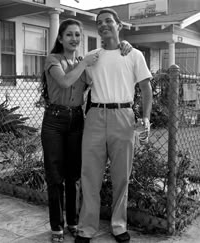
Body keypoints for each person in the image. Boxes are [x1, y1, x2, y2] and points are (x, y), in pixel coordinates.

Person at [41, 18, 132, 243]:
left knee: (74, 175)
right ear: (60, 38)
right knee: (55, 176)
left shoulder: (86, 62)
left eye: (77, 35)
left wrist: (123, 46)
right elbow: (64, 82)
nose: (74, 39)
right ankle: (57, 226)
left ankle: (73, 222)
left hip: (76, 121)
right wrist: (83, 63)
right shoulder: (54, 60)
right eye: (69, 35)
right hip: (54, 120)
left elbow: (105, 73)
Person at [75, 8, 153, 243]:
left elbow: (146, 89)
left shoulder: (133, 55)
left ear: (119, 25)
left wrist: (146, 119)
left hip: (123, 116)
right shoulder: (91, 56)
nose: (103, 25)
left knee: (121, 176)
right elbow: (81, 84)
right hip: (95, 117)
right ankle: (86, 228)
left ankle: (118, 225)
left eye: (109, 21)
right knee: (89, 175)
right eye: (99, 22)